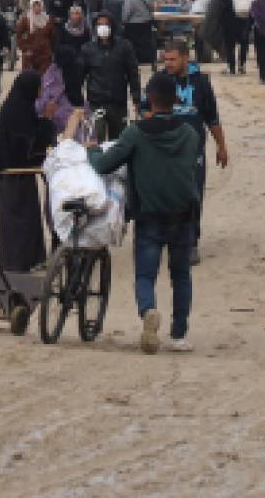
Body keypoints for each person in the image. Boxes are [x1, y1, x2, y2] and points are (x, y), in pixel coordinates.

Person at [91, 76, 203, 353]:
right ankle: (179, 335)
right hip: (184, 214)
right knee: (181, 275)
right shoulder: (190, 135)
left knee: (145, 275)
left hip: (149, 215)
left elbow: (105, 165)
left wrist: (92, 151)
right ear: (175, 100)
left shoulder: (136, 134)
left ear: (150, 99)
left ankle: (148, 310)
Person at [157, 40, 229, 263]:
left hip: (193, 149)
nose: (168, 64)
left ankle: (190, 242)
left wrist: (221, 146)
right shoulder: (159, 81)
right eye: (165, 59)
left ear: (185, 58)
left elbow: (212, 117)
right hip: (164, 148)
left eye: (173, 59)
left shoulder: (201, 82)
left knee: (192, 194)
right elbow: (145, 111)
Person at [0, 71, 55, 273]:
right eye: (39, 87)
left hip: (16, 175)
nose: (41, 91)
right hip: (15, 175)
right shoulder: (16, 113)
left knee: (24, 220)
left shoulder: (18, 108)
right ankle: (17, 263)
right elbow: (30, 145)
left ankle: (28, 260)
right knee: (20, 222)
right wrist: (47, 119)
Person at [82, 10, 145, 141]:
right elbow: (80, 75)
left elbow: (133, 73)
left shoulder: (124, 47)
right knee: (95, 139)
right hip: (96, 102)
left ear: (113, 27)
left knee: (118, 141)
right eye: (99, 25)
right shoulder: (88, 49)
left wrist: (137, 98)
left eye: (106, 24)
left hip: (118, 103)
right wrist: (77, 101)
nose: (103, 28)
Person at [121, 0, 157, 72]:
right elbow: (153, 8)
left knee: (132, 44)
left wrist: (124, 22)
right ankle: (150, 63)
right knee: (146, 43)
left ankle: (134, 63)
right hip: (146, 24)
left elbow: (126, 13)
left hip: (133, 26)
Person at [16, 0, 56, 74]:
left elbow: (53, 37)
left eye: (39, 5)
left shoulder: (47, 20)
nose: (37, 8)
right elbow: (19, 35)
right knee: (29, 80)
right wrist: (25, 48)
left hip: (45, 55)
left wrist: (51, 50)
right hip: (30, 55)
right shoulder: (26, 20)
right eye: (34, 6)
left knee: (43, 79)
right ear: (31, 7)